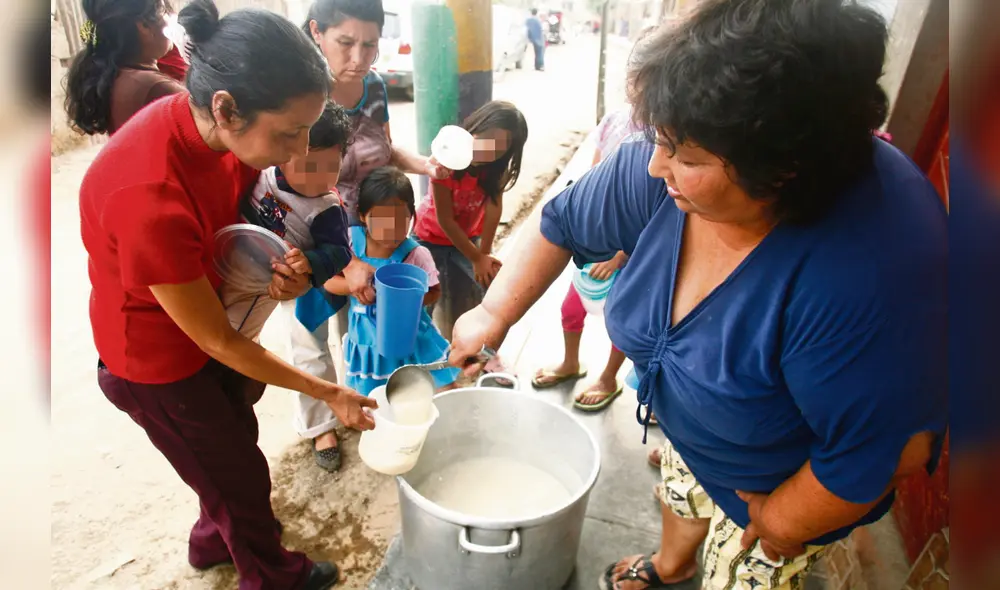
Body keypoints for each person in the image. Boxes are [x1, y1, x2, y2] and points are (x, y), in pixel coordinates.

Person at [448, 1, 947, 589]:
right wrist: (492, 311)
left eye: (687, 158)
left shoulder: (867, 275)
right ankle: (671, 564)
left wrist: (782, 519)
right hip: (696, 435)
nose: (657, 166)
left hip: (781, 489)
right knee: (682, 495)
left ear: (783, 168)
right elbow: (563, 221)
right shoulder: (673, 155)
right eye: (661, 141)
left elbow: (886, 451)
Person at [79, 1, 377, 588]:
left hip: (212, 329)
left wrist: (295, 269)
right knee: (240, 477)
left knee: (230, 448)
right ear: (226, 107)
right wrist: (328, 392)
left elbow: (255, 224)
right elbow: (213, 338)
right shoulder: (149, 195)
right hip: (158, 362)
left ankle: (210, 540)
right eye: (289, 133)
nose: (296, 155)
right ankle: (271, 575)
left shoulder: (214, 135)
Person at [293, 0, 448, 468]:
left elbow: (383, 144)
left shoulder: (375, 86)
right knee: (311, 328)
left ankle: (364, 397)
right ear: (318, 32)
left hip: (371, 228)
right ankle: (321, 424)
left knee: (362, 318)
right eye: (346, 43)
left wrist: (420, 164)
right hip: (316, 230)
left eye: (370, 45)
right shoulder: (300, 92)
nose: (359, 57)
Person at [220, 101, 365, 345]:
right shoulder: (265, 171)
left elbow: (339, 253)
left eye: (332, 167)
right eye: (308, 167)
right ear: (284, 155)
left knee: (234, 334)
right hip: (228, 257)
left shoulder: (326, 209)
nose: (320, 178)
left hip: (263, 285)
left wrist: (310, 262)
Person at [532, 104, 646, 412]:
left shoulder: (658, 133)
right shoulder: (615, 120)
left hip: (633, 250)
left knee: (621, 321)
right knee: (571, 308)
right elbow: (592, 177)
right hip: (600, 239)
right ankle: (570, 363)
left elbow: (652, 212)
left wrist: (620, 256)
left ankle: (609, 378)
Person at [328, 166, 460, 395]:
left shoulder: (416, 255)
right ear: (361, 215)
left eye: (400, 220)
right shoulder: (350, 243)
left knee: (440, 390)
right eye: (380, 220)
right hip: (369, 342)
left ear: (413, 215)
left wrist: (408, 299)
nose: (390, 229)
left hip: (412, 338)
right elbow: (328, 281)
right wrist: (352, 286)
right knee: (377, 397)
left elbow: (434, 291)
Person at [413, 100, 528, 340]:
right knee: (425, 295)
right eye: (486, 139)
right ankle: (421, 345)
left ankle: (480, 345)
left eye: (500, 148)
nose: (489, 150)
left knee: (488, 285)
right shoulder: (448, 160)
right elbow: (445, 219)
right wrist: (476, 257)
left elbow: (494, 208)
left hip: (468, 239)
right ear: (473, 128)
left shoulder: (497, 169)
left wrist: (484, 253)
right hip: (430, 237)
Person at [65, 0, 186, 136]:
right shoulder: (156, 88)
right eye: (164, 12)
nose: (170, 19)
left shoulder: (115, 76)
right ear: (144, 26)